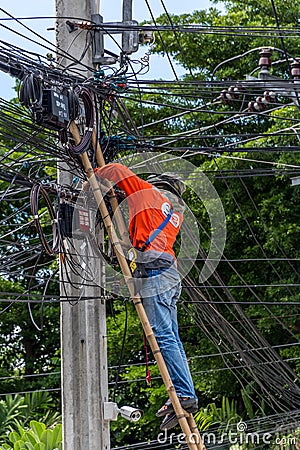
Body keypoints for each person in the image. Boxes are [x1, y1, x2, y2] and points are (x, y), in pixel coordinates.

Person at [94, 162, 198, 430]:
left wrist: (90, 182)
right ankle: (182, 393)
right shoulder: (174, 214)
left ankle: (185, 395)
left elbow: (116, 169)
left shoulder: (147, 193)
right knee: (170, 338)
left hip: (156, 274)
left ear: (158, 184)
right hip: (168, 274)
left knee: (163, 337)